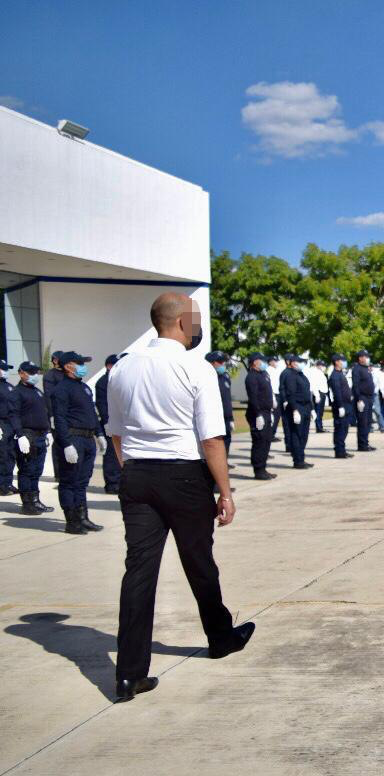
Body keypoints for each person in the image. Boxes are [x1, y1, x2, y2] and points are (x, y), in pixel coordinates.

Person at [107, 292, 254, 702]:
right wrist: (225, 492)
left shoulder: (123, 367)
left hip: (137, 474)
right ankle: (220, 637)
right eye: (196, 320)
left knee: (138, 572)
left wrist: (133, 470)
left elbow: (116, 433)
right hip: (183, 476)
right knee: (199, 563)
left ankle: (129, 674)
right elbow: (212, 439)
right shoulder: (195, 367)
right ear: (181, 323)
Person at [50, 351, 103, 534]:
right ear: (68, 366)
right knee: (69, 482)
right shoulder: (61, 389)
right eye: (79, 363)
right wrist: (66, 444)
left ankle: (83, 517)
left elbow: (91, 413)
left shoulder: (84, 387)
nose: (83, 367)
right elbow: (60, 418)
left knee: (81, 482)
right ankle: (72, 521)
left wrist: (99, 434)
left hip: (87, 439)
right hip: (73, 438)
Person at [14, 362, 56, 516]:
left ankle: (35, 500)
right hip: (27, 435)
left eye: (36, 372)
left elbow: (44, 413)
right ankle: (27, 503)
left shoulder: (37, 391)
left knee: (37, 470)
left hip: (40, 436)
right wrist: (20, 435)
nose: (35, 375)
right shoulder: (17, 392)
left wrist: (48, 431)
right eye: (31, 373)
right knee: (27, 470)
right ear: (21, 373)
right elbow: (14, 415)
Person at [94, 354, 123, 494]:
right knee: (111, 454)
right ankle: (112, 483)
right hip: (110, 422)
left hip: (120, 422)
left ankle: (119, 481)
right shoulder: (103, 381)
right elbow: (102, 404)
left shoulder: (117, 380)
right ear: (109, 366)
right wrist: (106, 422)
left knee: (121, 454)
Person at [244, 352, 275, 480]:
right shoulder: (251, 377)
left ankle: (263, 468)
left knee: (266, 441)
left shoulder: (263, 374)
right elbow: (253, 397)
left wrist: (271, 406)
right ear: (255, 362)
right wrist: (258, 414)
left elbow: (268, 391)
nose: (264, 363)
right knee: (259, 441)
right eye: (261, 360)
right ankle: (258, 470)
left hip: (266, 412)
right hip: (257, 414)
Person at [279, 355, 314, 469]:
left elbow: (307, 392)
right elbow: (291, 393)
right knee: (297, 434)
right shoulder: (289, 374)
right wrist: (294, 410)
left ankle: (301, 458)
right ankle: (298, 461)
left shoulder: (300, 374)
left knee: (304, 435)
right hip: (297, 407)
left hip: (305, 407)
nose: (302, 364)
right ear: (293, 363)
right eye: (300, 362)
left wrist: (312, 408)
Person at [204, 351, 234, 456]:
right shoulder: (206, 378)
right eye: (220, 362)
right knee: (215, 446)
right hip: (213, 418)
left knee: (227, 442)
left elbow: (227, 399)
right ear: (211, 363)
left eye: (223, 362)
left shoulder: (225, 376)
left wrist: (231, 418)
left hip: (226, 418)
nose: (223, 364)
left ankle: (224, 462)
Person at [328, 354, 355, 459]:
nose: (344, 362)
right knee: (340, 429)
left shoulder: (340, 373)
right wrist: (340, 406)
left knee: (344, 429)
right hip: (341, 405)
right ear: (336, 362)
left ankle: (342, 450)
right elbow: (337, 392)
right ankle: (339, 451)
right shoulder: (335, 375)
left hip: (346, 404)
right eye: (341, 360)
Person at [44, 351, 65, 483]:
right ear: (55, 360)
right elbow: (49, 396)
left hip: (67, 414)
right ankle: (58, 474)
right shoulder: (50, 375)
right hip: (56, 414)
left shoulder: (66, 374)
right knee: (58, 443)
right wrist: (52, 415)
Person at [351, 350, 377, 452]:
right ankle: (362, 445)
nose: (367, 359)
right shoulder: (357, 369)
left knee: (368, 422)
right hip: (362, 398)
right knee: (363, 422)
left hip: (369, 398)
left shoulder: (366, 369)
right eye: (366, 357)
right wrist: (359, 399)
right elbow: (356, 385)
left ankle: (366, 443)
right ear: (360, 358)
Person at [0, 359, 18, 496]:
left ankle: (8, 482)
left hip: (11, 424)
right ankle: (1, 485)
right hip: (1, 424)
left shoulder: (9, 386)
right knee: (2, 455)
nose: (6, 371)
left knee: (10, 455)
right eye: (3, 369)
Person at [266, 355, 284, 443]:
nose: (276, 362)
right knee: (274, 416)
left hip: (278, 394)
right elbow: (270, 385)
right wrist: (272, 397)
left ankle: (272, 434)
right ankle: (269, 435)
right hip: (273, 395)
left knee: (277, 416)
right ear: (270, 362)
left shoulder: (277, 370)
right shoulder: (268, 370)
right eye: (274, 361)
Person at [308, 359, 330, 433]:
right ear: (318, 365)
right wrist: (317, 395)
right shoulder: (315, 373)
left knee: (320, 412)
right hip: (318, 393)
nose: (323, 367)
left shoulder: (321, 373)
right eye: (322, 365)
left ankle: (320, 426)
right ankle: (319, 427)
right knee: (318, 411)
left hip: (322, 393)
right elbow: (314, 385)